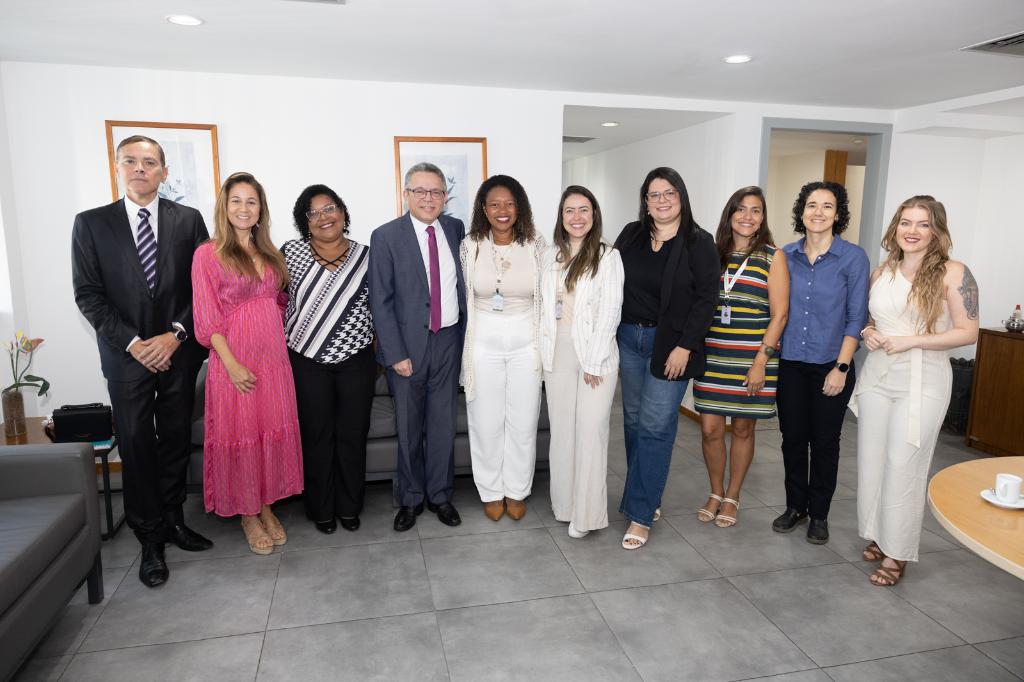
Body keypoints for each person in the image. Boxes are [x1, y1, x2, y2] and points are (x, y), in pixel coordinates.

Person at [72, 135, 213, 588]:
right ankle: (149, 538)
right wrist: (135, 344)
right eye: (130, 161)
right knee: (135, 444)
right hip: (126, 357)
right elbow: (88, 295)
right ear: (117, 167)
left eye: (149, 162)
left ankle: (173, 520)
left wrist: (175, 336)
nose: (140, 168)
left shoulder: (188, 220)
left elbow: (204, 287)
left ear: (164, 172)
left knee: (175, 438)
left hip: (179, 352)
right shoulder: (92, 223)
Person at [852, 195, 979, 585]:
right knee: (872, 461)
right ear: (895, 228)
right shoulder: (882, 272)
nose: (912, 231)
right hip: (877, 378)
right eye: (906, 222)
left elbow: (968, 332)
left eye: (923, 224)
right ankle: (879, 533)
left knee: (904, 464)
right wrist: (868, 332)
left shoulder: (953, 273)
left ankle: (898, 551)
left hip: (923, 380)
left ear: (936, 231)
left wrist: (912, 341)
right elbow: (870, 319)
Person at [191, 172, 304, 555]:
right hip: (234, 361)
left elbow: (279, 305)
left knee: (268, 430)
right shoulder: (208, 254)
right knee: (241, 435)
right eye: (236, 200)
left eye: (251, 201)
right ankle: (247, 514)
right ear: (225, 207)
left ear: (261, 210)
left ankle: (266, 505)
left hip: (274, 361)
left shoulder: (270, 253)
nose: (244, 208)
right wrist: (232, 364)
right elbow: (206, 317)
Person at [613, 167, 719, 549]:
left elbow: (707, 299)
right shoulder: (631, 235)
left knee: (656, 426)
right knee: (633, 422)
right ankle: (647, 495)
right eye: (654, 194)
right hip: (629, 340)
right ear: (645, 201)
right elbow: (609, 280)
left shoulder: (699, 242)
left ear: (681, 197)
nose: (662, 200)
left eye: (669, 193)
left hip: (671, 347)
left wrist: (685, 346)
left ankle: (640, 514)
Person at [369, 162, 467, 531]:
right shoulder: (386, 236)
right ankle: (410, 499)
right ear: (406, 194)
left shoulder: (455, 229)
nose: (429, 198)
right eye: (420, 191)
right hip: (407, 347)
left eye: (436, 191)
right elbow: (380, 301)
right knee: (409, 428)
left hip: (449, 341)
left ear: (445, 197)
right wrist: (395, 354)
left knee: (443, 425)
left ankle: (440, 496)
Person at [772, 180, 870, 544]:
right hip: (791, 364)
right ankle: (795, 506)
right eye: (811, 205)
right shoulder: (785, 256)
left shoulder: (853, 258)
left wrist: (841, 368)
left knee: (826, 442)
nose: (818, 212)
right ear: (801, 212)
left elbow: (856, 318)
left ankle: (819, 514)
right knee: (793, 439)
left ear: (838, 214)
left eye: (827, 206)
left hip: (832, 364)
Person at [693, 187, 789, 527]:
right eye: (741, 209)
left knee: (743, 429)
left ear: (763, 218)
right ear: (730, 214)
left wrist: (761, 362)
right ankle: (715, 491)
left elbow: (780, 315)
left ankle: (732, 495)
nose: (748, 216)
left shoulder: (773, 257)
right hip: (713, 355)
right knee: (710, 429)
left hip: (753, 357)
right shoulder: (712, 253)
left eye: (756, 210)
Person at [284, 185, 375, 534]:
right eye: (314, 212)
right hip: (306, 359)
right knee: (316, 436)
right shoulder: (290, 252)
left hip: (356, 359)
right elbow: (272, 300)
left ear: (342, 213)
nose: (324, 217)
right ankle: (321, 509)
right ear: (305, 222)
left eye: (330, 208)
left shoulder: (367, 256)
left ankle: (349, 507)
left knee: (352, 435)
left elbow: (380, 305)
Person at [540, 185, 623, 538]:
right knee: (562, 432)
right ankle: (565, 505)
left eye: (583, 210)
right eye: (569, 210)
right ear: (561, 216)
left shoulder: (608, 256)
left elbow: (610, 312)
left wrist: (594, 360)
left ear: (594, 215)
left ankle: (587, 516)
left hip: (595, 357)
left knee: (590, 432)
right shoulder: (549, 256)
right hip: (556, 353)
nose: (576, 217)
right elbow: (542, 309)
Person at [460, 175, 545, 521]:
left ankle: (517, 490)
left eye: (509, 203)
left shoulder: (536, 245)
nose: (502, 210)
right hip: (483, 343)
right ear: (484, 209)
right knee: (485, 421)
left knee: (523, 420)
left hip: (526, 343)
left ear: (519, 207)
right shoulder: (471, 245)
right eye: (494, 204)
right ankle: (491, 491)